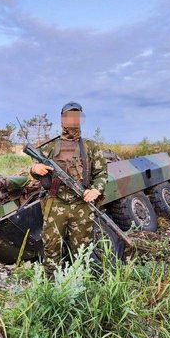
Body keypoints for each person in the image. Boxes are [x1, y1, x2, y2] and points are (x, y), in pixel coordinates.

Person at [30, 102, 108, 272]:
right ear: (62, 119)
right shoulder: (50, 146)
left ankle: (80, 283)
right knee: (51, 249)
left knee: (82, 252)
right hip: (55, 203)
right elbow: (35, 167)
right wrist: (35, 169)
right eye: (69, 116)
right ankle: (51, 285)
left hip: (82, 205)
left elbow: (102, 174)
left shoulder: (91, 147)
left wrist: (96, 190)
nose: (72, 120)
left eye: (76, 116)